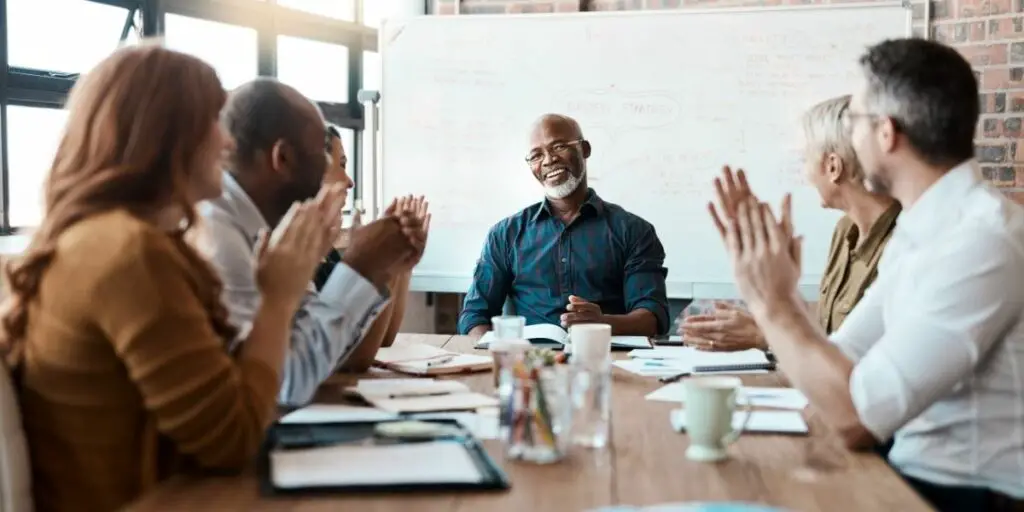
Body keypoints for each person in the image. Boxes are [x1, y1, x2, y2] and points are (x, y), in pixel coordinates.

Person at [0, 44, 338, 512]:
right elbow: (234, 439)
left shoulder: (106, 240)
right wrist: (277, 299)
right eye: (214, 123)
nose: (227, 143)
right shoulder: (130, 254)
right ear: (169, 137)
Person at [709, 38, 1024, 510]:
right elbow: (837, 367)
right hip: (904, 473)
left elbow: (853, 416)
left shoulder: (983, 241)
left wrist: (771, 303)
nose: (848, 141)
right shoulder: (925, 228)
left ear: (886, 133)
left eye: (854, 122)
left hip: (962, 496)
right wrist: (783, 299)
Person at [198, 78, 428, 406]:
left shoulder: (271, 227)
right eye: (321, 155)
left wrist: (379, 268)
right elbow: (288, 382)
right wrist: (360, 268)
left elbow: (317, 351)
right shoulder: (217, 235)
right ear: (284, 158)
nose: (332, 175)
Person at [681, 95, 900, 352]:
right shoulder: (845, 231)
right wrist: (768, 319)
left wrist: (766, 334)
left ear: (833, 167)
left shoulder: (904, 242)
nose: (805, 172)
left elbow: (857, 356)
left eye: (806, 159)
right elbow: (831, 328)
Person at [458, 113, 670, 338]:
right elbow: (474, 317)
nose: (549, 160)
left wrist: (602, 323)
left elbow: (652, 318)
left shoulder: (633, 231)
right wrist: (498, 358)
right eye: (536, 155)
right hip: (530, 364)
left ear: (585, 149)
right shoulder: (505, 235)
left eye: (558, 146)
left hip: (606, 360)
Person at [312, 125, 426, 372]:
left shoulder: (325, 251)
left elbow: (384, 337)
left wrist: (398, 261)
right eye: (340, 165)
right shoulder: (295, 255)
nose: (350, 181)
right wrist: (375, 265)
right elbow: (357, 356)